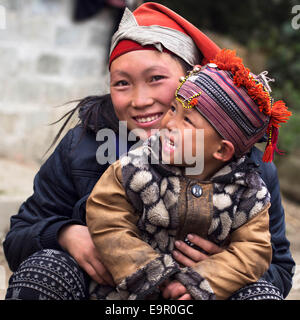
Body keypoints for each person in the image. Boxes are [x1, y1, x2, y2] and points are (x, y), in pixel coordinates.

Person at [3, 2, 294, 300]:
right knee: (44, 269)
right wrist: (65, 235)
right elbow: (17, 239)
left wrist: (224, 267)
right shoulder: (85, 147)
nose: (140, 100)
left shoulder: (248, 171)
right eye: (122, 84)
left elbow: (280, 271)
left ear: (191, 81)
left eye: (156, 79)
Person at [86, 49, 291, 300]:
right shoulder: (134, 167)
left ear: (222, 150)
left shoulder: (249, 193)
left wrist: (203, 281)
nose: (170, 123)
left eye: (188, 121)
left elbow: (253, 251)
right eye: (173, 109)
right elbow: (106, 216)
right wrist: (148, 272)